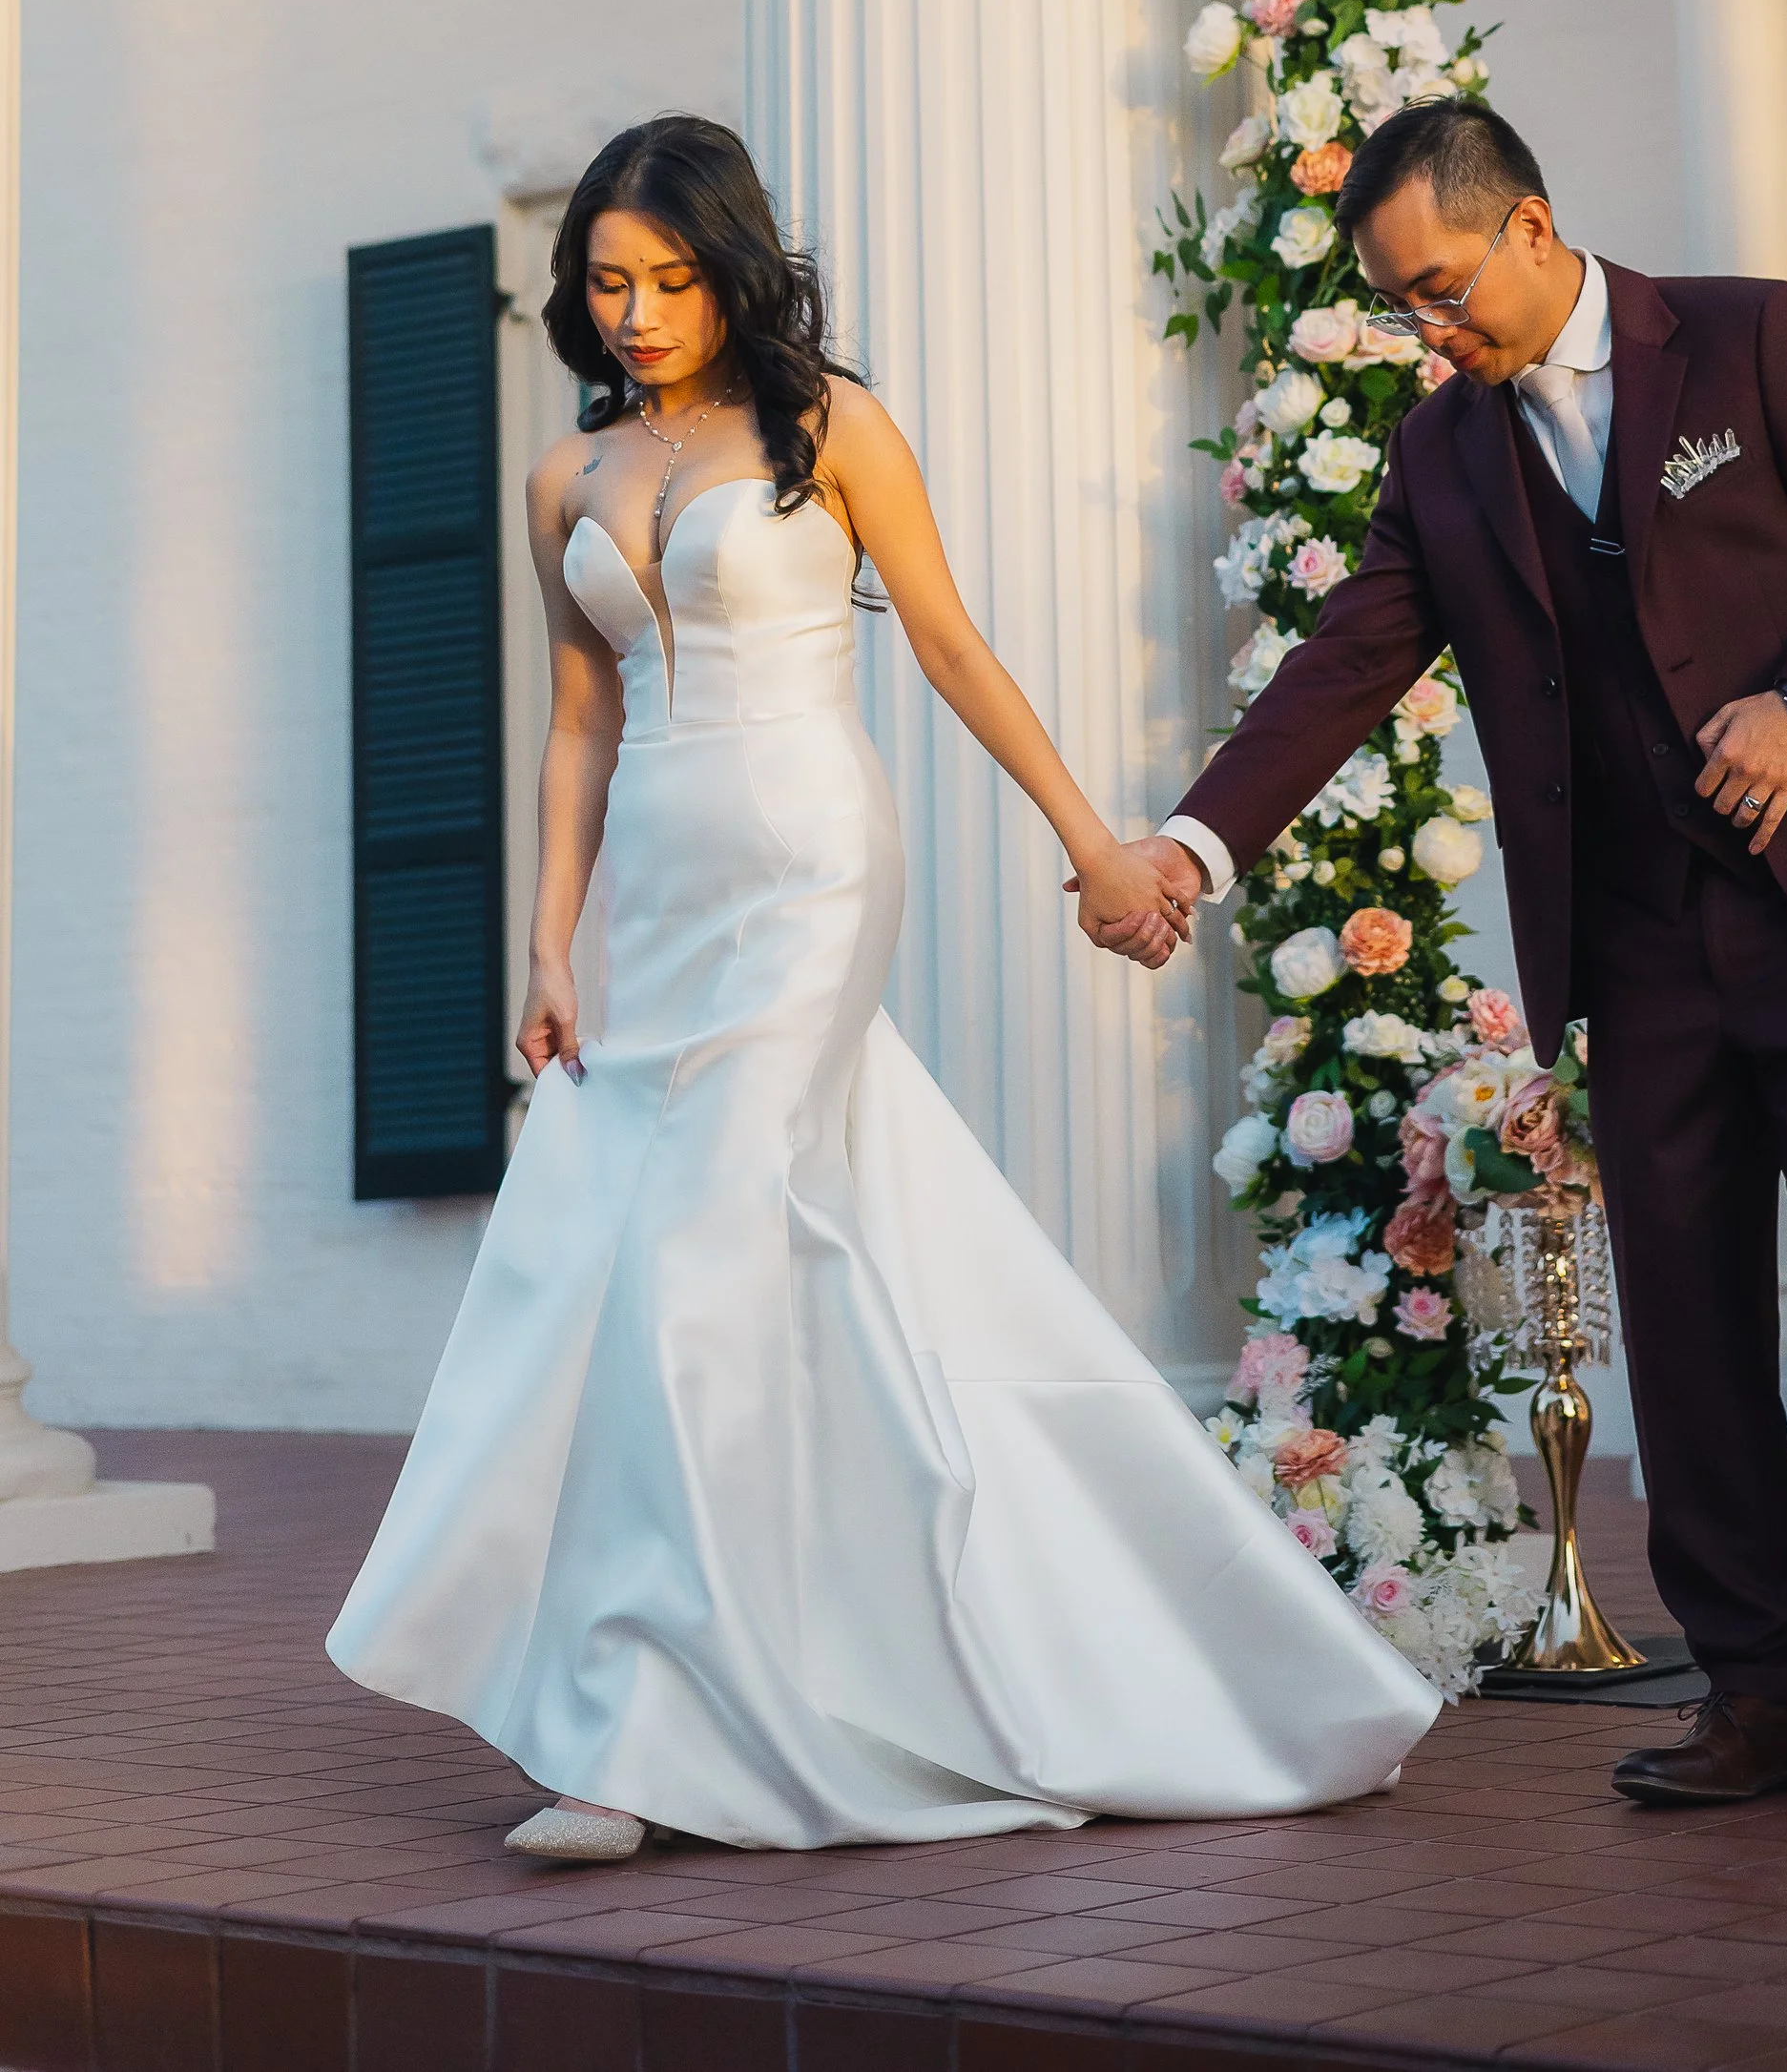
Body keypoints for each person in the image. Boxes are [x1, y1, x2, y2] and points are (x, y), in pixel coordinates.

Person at [328, 115, 1434, 1856]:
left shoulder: (828, 424)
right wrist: (546, 943)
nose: (634, 309)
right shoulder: (567, 481)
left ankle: (627, 1739)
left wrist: (1096, 843)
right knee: (657, 1267)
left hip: (811, 861)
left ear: (732, 263)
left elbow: (946, 637)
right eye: (607, 280)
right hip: (655, 899)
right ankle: (790, 1654)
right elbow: (576, 724)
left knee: (688, 1254)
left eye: (671, 278)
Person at [1118, 100, 1787, 1810]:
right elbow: (1342, 666)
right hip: (1634, 938)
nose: (1433, 327)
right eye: (1403, 304)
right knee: (1686, 1323)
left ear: (1534, 226)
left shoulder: (1751, 331)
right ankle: (1766, 1692)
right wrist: (1189, 843)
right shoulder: (1445, 455)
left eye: (1448, 288)